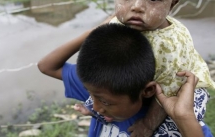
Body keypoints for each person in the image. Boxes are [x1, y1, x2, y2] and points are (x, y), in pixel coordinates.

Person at [82, 0, 215, 136]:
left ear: (172, 4)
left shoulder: (171, 44)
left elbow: (169, 89)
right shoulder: (115, 25)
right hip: (143, 81)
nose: (137, 6)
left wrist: (147, 125)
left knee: (171, 128)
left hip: (175, 86)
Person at [38, 23, 213, 136]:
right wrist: (95, 32)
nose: (96, 106)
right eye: (92, 96)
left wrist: (184, 117)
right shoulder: (101, 85)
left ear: (148, 91)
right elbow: (46, 66)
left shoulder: (178, 127)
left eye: (105, 103)